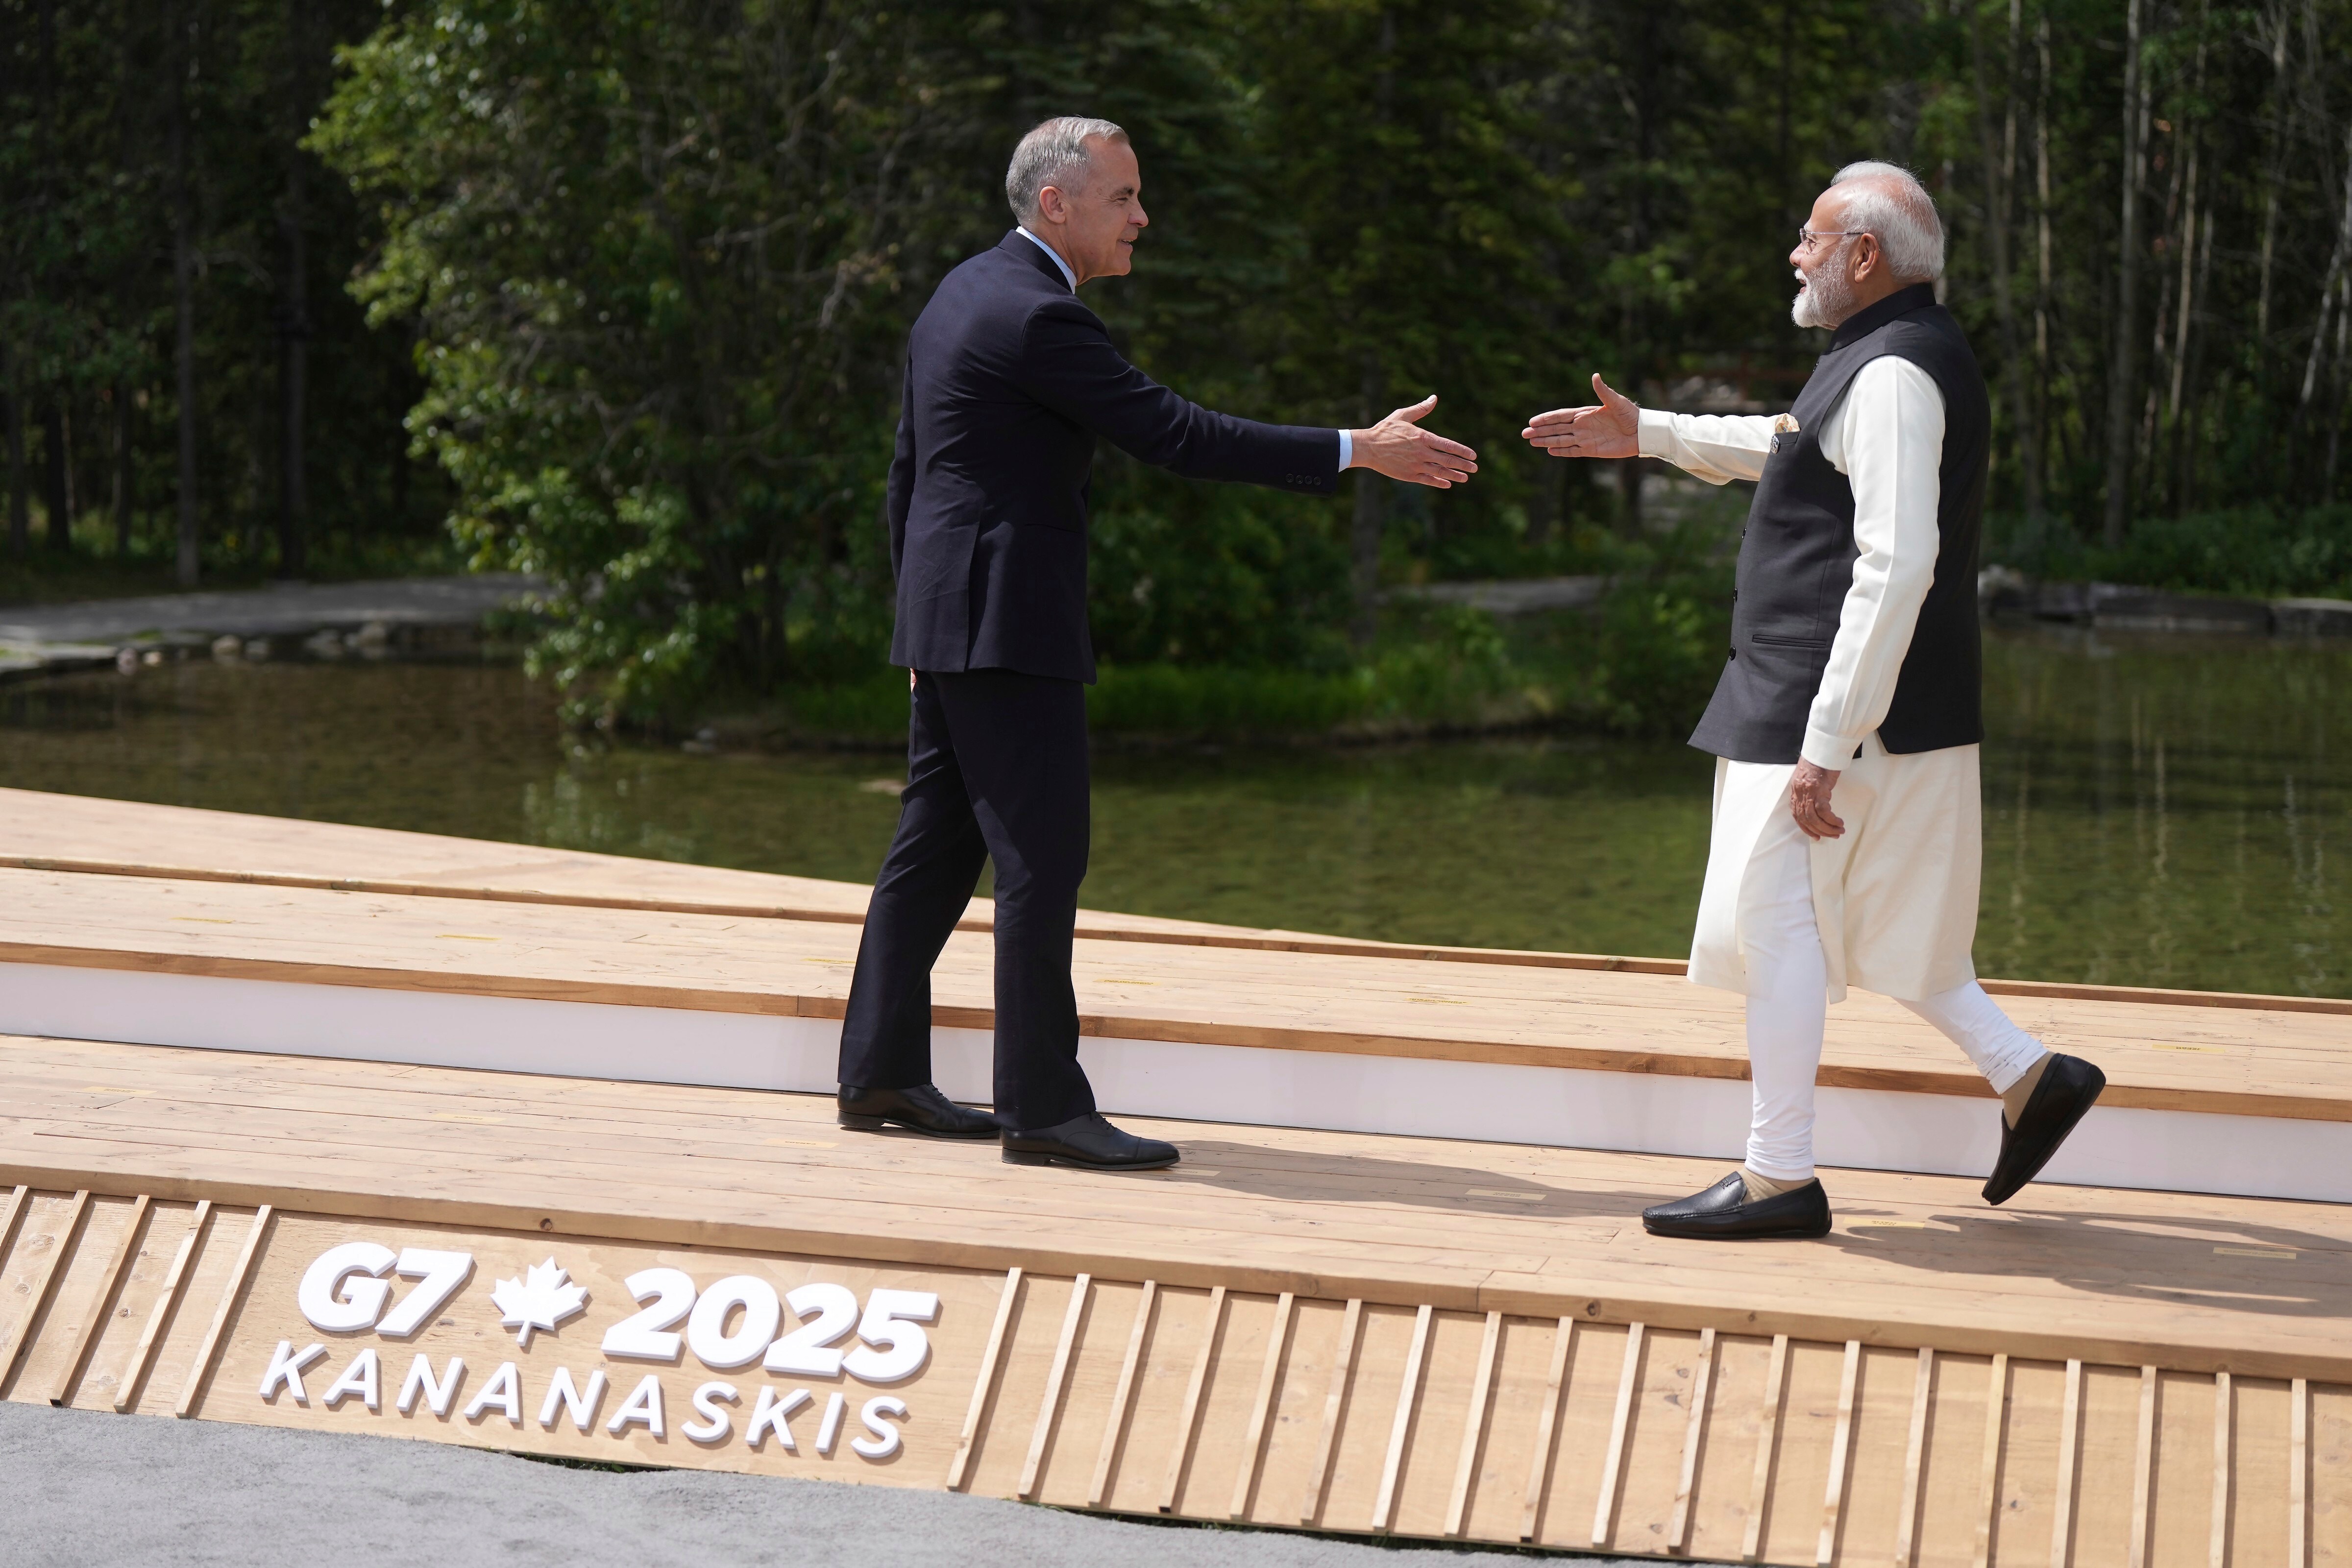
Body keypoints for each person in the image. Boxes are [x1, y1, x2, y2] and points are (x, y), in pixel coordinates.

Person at [836, 116, 1478, 1172]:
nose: (1142, 217)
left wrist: (918, 619)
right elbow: (1175, 432)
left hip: (953, 618)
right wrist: (1355, 449)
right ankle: (1043, 1110)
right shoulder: (1040, 315)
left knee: (934, 850)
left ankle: (880, 1072)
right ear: (1056, 205)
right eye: (1124, 197)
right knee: (1040, 862)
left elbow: (910, 467)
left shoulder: (961, 289)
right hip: (1010, 624)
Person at [1522, 161, 2103, 1239]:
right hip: (1845, 696)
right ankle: (2031, 1075)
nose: (1795, 255)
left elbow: (1898, 563)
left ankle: (1780, 1175)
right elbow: (1795, 444)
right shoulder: (1889, 357)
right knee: (1874, 919)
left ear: (1864, 255)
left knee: (1776, 924)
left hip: (1820, 700)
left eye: (1810, 237)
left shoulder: (1892, 374)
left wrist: (1829, 740)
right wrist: (1654, 432)